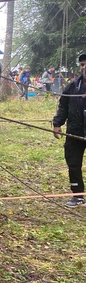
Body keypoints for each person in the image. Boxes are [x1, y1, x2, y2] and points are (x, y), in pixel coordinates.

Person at [52, 54, 86, 208]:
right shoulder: (73, 86)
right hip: (75, 131)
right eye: (82, 64)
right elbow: (63, 105)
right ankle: (78, 195)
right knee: (73, 163)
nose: (84, 67)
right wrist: (57, 123)